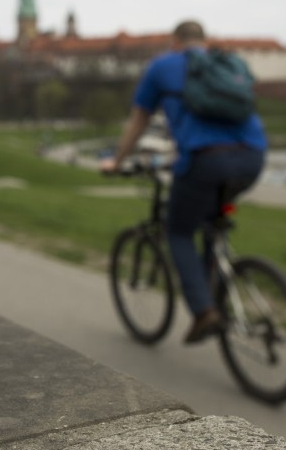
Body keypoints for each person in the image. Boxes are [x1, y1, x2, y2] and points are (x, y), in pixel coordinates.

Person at [101, 20, 268, 344]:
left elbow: (139, 120)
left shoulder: (163, 66)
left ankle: (204, 311)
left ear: (174, 41)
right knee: (209, 219)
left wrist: (116, 162)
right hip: (253, 156)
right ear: (204, 41)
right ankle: (213, 283)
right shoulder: (228, 62)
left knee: (178, 231)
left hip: (204, 160)